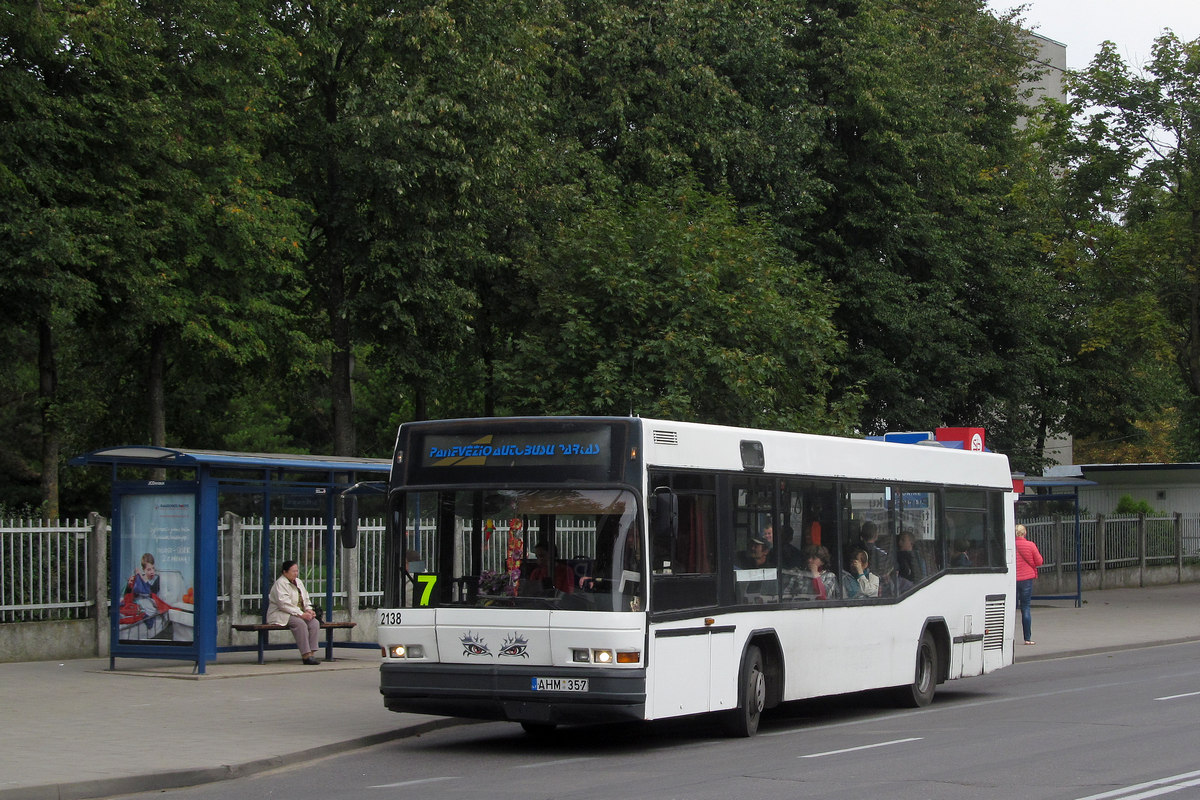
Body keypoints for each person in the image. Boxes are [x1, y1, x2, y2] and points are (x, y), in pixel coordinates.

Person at [267, 560, 321, 665]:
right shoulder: (280, 583)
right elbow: (284, 604)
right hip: (281, 613)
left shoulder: (298, 582)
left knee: (315, 623)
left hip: (298, 613)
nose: (296, 573)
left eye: (297, 571)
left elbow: (305, 597)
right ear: (285, 572)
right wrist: (301, 614)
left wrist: (309, 610)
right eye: (293, 571)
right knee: (299, 624)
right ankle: (305, 655)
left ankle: (312, 653)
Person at [1015, 524, 1044, 645]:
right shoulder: (1030, 545)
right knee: (1025, 607)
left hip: (1012, 580)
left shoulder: (1010, 544)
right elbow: (1039, 561)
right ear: (1024, 533)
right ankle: (1027, 638)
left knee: (1010, 609)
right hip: (1027, 579)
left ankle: (1007, 638)